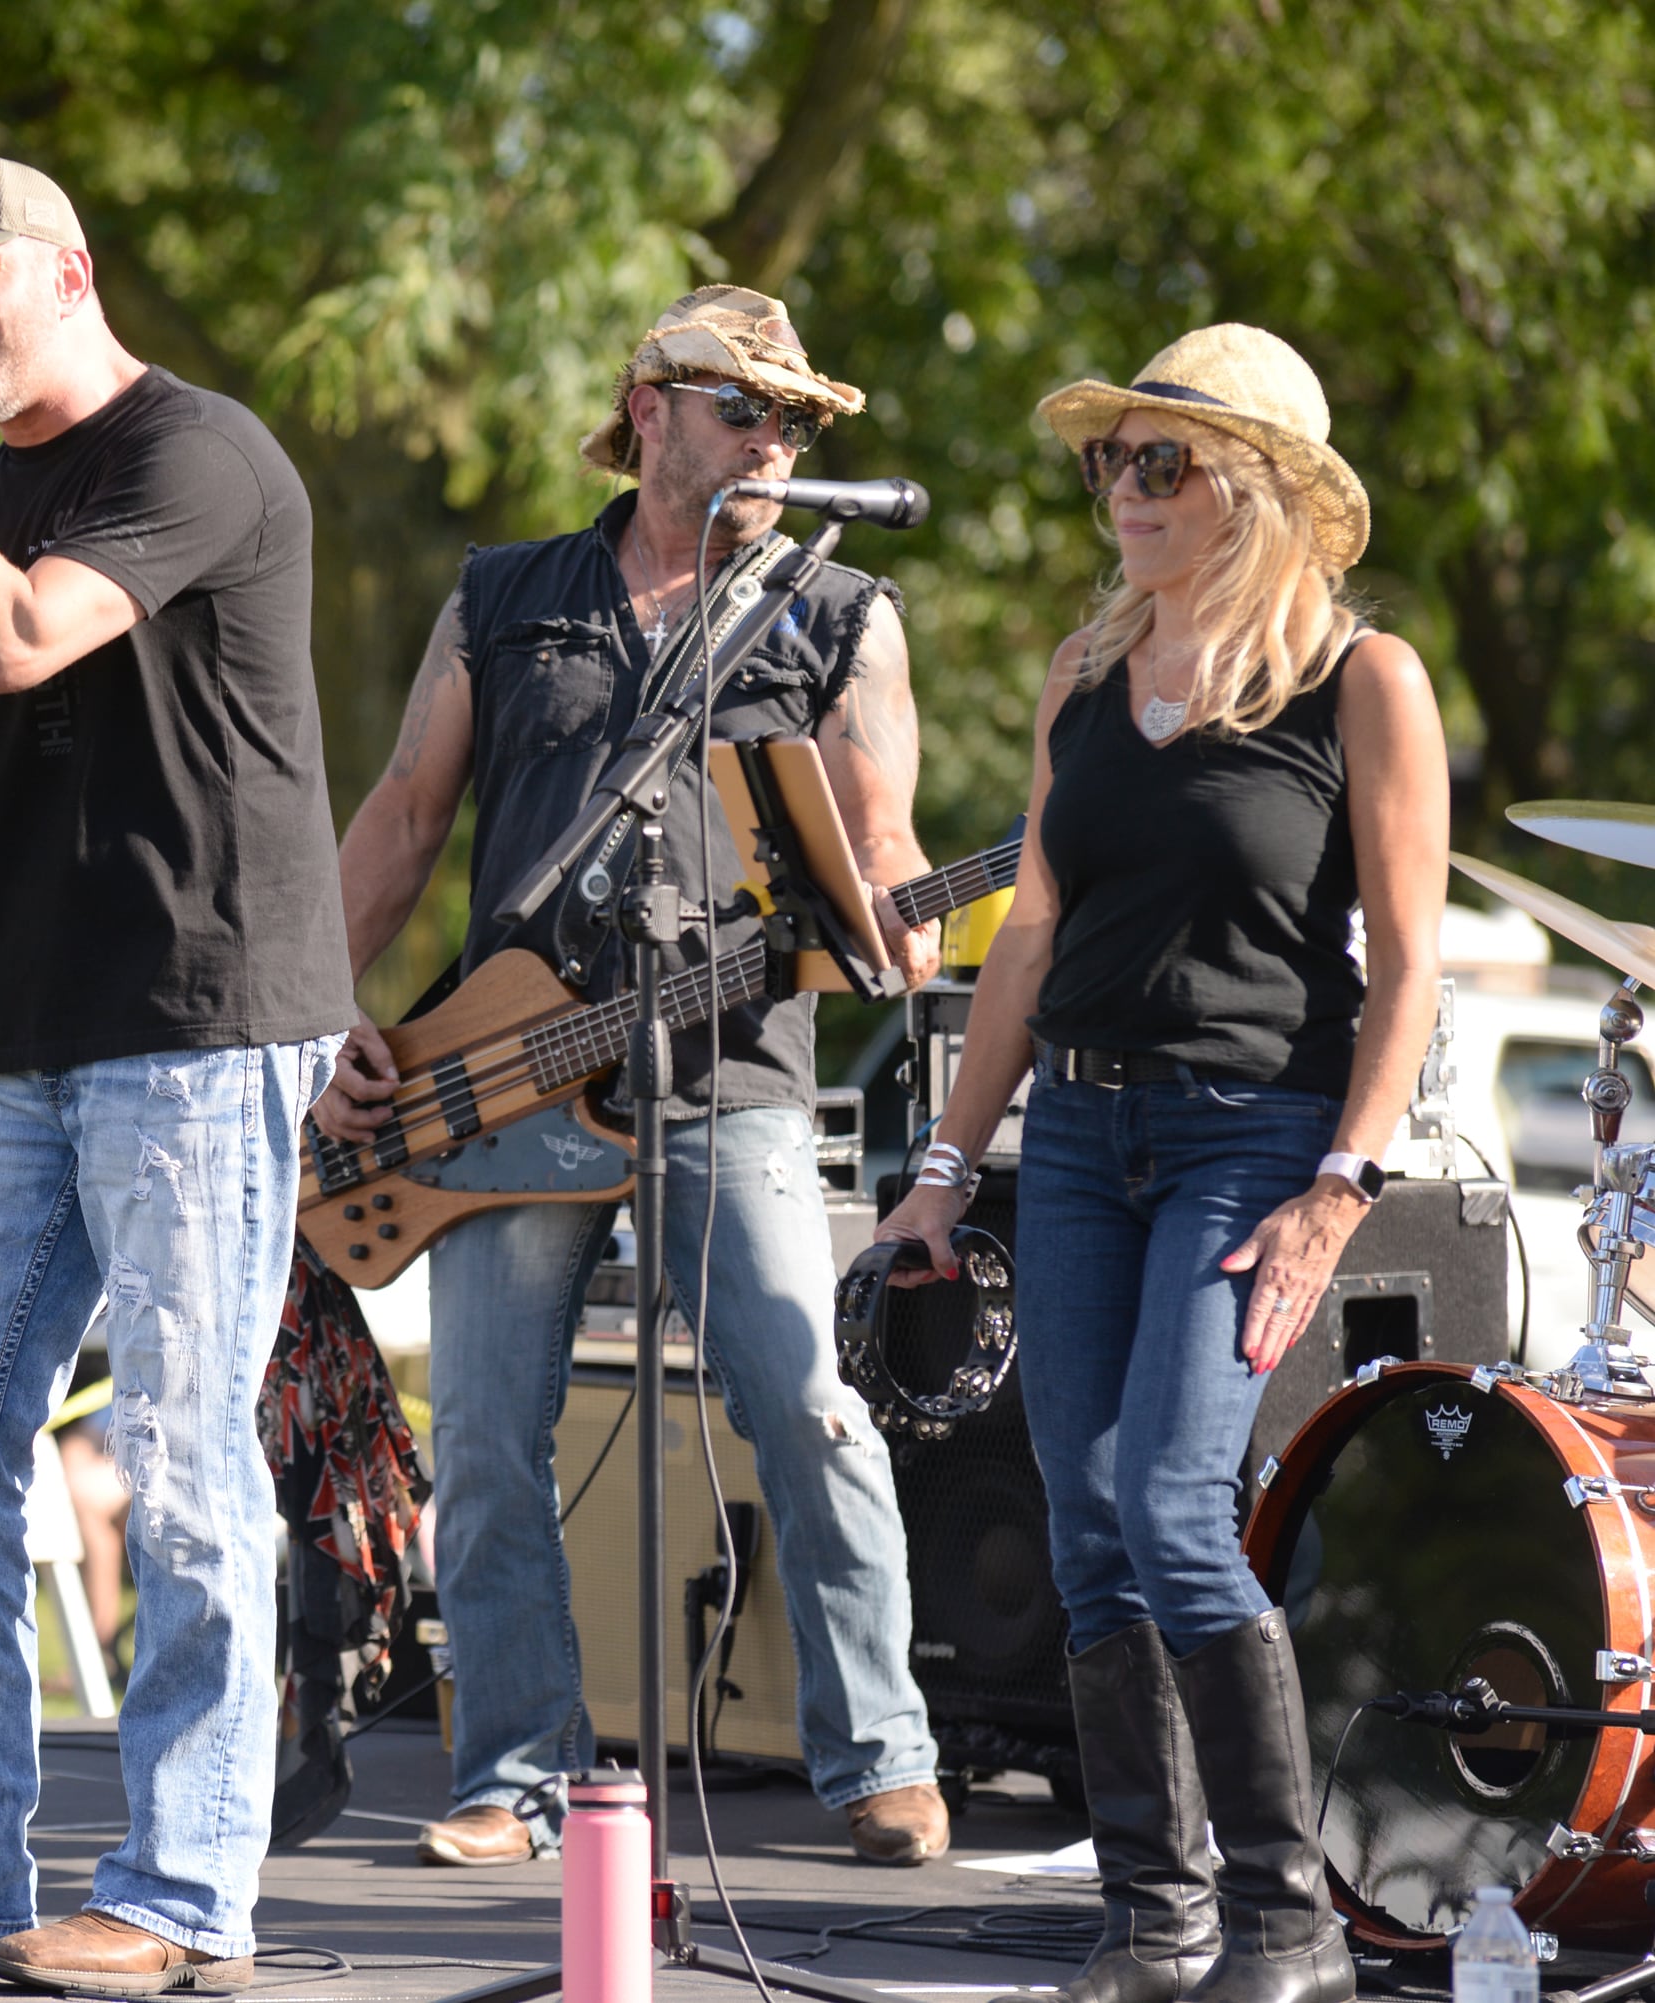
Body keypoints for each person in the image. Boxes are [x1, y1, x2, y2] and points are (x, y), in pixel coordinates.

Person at [0, 156, 350, 1993]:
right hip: (20, 1036)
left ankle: (187, 1898)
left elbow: (21, 638)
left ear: (67, 272)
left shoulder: (197, 452)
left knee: (179, 1462)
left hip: (204, 1016)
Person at [318, 286, 952, 1868]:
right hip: (508, 1067)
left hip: (732, 1067)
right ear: (648, 404)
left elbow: (883, 839)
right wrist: (316, 1004)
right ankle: (510, 1776)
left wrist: (901, 908)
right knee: (480, 1435)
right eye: (743, 405)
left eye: (796, 418)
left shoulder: (839, 610)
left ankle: (880, 1751)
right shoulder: (504, 594)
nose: (775, 438)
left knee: (807, 1399)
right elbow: (402, 813)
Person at [879, 324, 1445, 2003]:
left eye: (1161, 460)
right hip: (1077, 1136)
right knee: (1083, 1529)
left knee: (1175, 1510)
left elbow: (1408, 963)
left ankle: (1286, 1923)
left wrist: (1338, 1189)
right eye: (1112, 459)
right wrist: (938, 1163)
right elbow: (1028, 940)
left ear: (1256, 490)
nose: (1122, 487)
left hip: (1254, 1133)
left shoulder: (1365, 680)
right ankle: (1152, 1917)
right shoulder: (1083, 675)